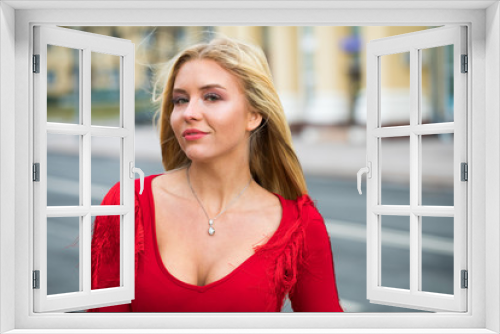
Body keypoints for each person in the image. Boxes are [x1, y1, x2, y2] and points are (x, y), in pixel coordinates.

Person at [89, 37, 343, 312]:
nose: (189, 112)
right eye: (180, 99)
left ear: (254, 115)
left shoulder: (301, 225)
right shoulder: (129, 203)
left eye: (212, 96)